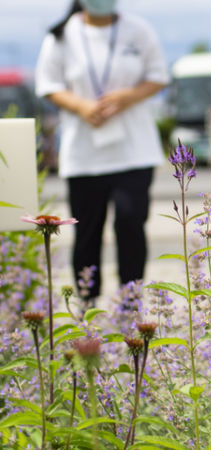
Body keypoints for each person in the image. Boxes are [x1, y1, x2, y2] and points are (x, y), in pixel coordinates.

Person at [35, 0, 169, 302]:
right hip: (84, 154)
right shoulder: (61, 35)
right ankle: (87, 303)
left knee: (131, 223)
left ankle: (130, 303)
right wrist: (81, 106)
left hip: (134, 151)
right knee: (87, 233)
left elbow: (158, 76)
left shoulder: (138, 30)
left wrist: (127, 97)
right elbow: (48, 84)